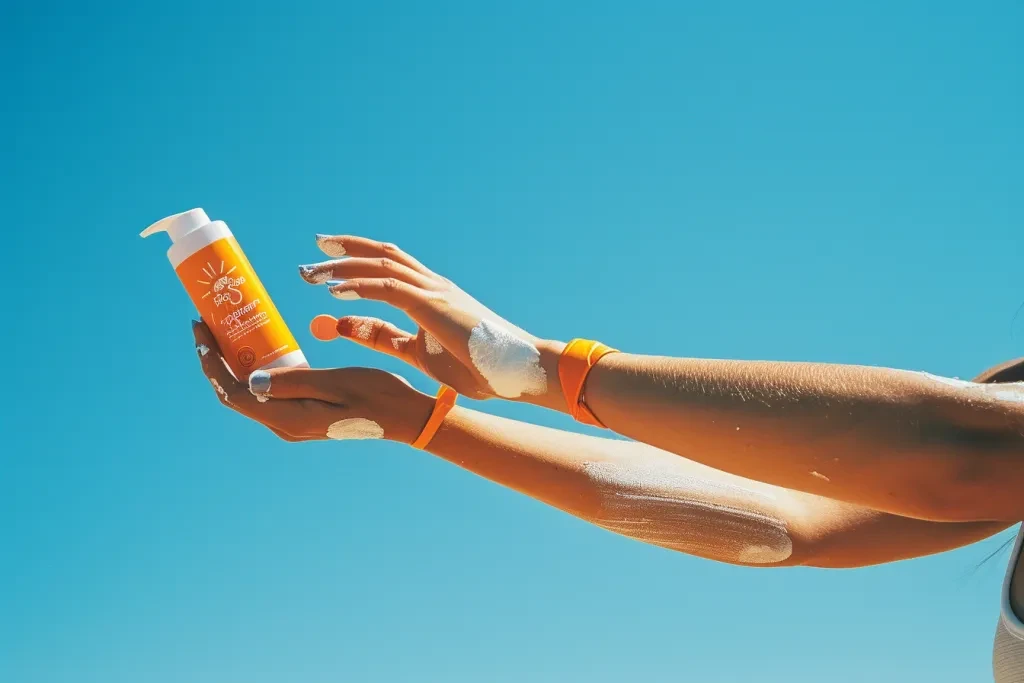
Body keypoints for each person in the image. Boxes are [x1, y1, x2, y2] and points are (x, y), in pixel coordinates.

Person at [192, 234, 1024, 680]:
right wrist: (423, 423)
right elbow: (784, 525)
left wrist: (537, 369)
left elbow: (957, 452)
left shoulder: (986, 442)